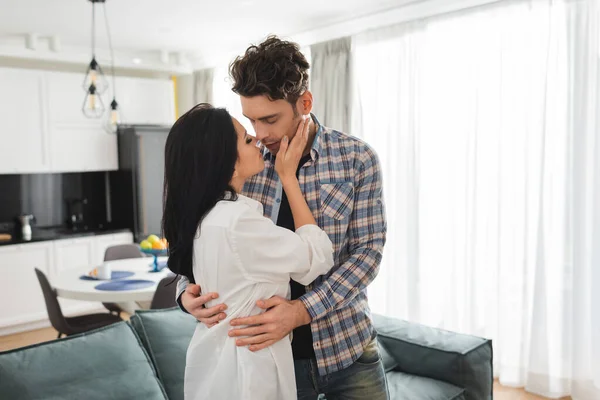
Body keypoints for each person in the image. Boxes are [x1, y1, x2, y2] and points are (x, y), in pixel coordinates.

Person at [177, 36, 389, 399]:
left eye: (270, 119)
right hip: (273, 361)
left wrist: (302, 311)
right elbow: (203, 229)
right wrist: (185, 292)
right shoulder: (243, 164)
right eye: (251, 121)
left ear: (304, 103)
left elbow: (367, 254)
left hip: (348, 350)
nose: (260, 135)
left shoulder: (356, 159)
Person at [162, 103, 334, 400]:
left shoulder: (205, 218)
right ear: (228, 164)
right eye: (246, 138)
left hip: (218, 367)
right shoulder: (237, 222)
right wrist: (288, 178)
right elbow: (317, 257)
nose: (257, 137)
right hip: (246, 373)